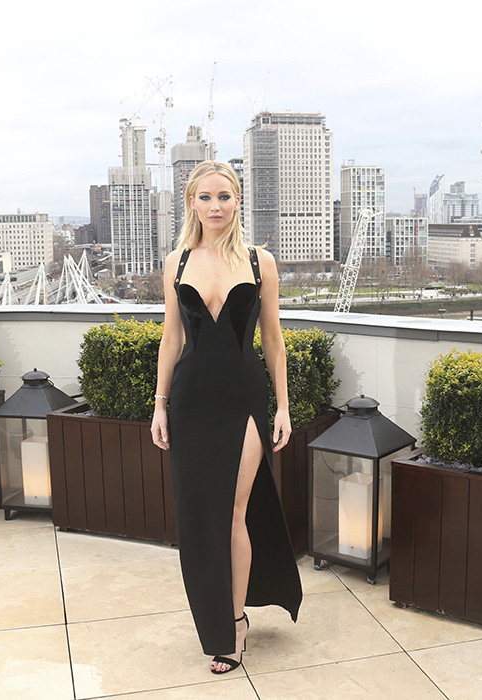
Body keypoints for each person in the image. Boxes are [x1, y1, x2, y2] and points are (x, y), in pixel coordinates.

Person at [151, 160, 302, 674]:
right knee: (199, 518)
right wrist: (160, 405)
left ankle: (234, 622)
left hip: (244, 401)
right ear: (191, 202)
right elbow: (171, 338)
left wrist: (283, 406)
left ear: (239, 201)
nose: (216, 206)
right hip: (192, 402)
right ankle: (218, 615)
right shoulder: (175, 262)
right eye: (205, 197)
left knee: (232, 514)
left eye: (225, 196)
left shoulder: (261, 262)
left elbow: (275, 341)